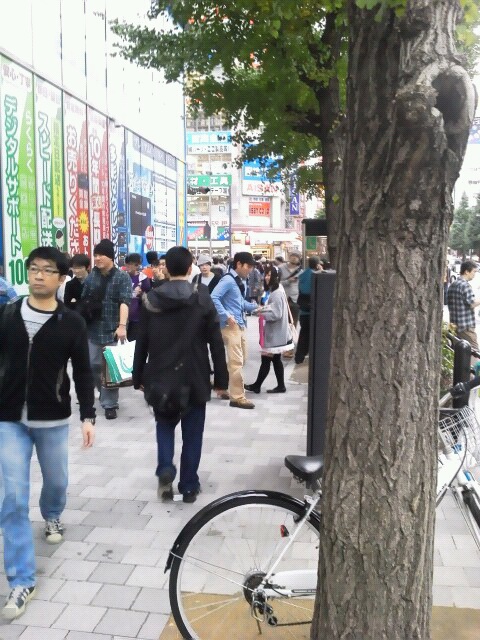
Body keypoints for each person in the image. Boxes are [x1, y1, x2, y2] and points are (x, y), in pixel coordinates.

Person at [0, 246, 95, 621]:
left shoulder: (71, 323)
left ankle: (52, 514)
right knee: (12, 498)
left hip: (52, 417)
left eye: (47, 270)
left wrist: (88, 416)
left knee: (56, 480)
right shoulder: (8, 315)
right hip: (9, 418)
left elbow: (83, 371)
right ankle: (21, 580)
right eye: (34, 269)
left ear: (61, 278)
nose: (39, 275)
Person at [132, 246, 228, 503]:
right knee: (192, 435)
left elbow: (142, 342)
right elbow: (216, 342)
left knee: (164, 425)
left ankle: (166, 467)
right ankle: (188, 485)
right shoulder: (202, 297)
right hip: (195, 377)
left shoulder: (151, 299)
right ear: (189, 268)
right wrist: (221, 379)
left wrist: (137, 375)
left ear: (166, 268)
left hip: (160, 376)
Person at [81, 239, 132, 420]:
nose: (97, 258)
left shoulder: (122, 277)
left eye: (101, 255)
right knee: (93, 365)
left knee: (111, 369)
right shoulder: (91, 277)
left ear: (110, 257)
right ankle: (103, 392)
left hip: (113, 329)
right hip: (93, 328)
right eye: (95, 255)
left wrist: (122, 326)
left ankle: (110, 404)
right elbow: (84, 299)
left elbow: (125, 302)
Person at [211, 252, 258, 409]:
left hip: (240, 324)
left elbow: (240, 302)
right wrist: (225, 315)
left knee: (241, 359)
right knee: (236, 362)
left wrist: (256, 307)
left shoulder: (239, 281)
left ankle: (223, 385)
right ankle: (237, 397)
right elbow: (214, 297)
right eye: (248, 266)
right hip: (230, 326)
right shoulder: (228, 280)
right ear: (239, 264)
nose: (250, 270)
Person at [245, 267, 291, 394]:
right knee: (275, 360)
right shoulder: (276, 290)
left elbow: (276, 314)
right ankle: (280, 386)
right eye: (266, 274)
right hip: (276, 333)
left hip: (274, 333)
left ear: (276, 276)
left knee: (266, 359)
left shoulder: (276, 293)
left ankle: (257, 386)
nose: (266, 277)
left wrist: (261, 313)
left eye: (270, 275)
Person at [447, 260, 480, 349]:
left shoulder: (453, 284)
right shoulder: (465, 285)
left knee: (458, 351)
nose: (474, 274)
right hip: (466, 326)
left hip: (454, 325)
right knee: (474, 351)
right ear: (466, 272)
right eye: (474, 271)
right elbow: (471, 303)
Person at [295, 256, 322, 364]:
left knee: (303, 334)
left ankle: (299, 356)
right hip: (312, 310)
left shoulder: (302, 274)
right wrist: (320, 270)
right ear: (317, 264)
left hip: (303, 310)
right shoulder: (316, 275)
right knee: (313, 334)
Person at [278, 252, 303, 358]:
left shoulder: (301, 271)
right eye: (293, 256)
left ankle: (289, 349)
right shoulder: (280, 268)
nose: (294, 258)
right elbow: (276, 282)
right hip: (283, 298)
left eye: (296, 257)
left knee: (293, 324)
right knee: (282, 324)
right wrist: (288, 281)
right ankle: (282, 346)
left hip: (295, 300)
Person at [124, 253, 152, 341]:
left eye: (134, 264)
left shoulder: (143, 278)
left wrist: (141, 294)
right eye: (128, 264)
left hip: (137, 317)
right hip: (123, 317)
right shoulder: (122, 277)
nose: (130, 266)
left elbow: (148, 297)